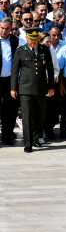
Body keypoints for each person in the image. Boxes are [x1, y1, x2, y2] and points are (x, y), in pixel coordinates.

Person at [11, 27, 54, 153]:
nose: (33, 41)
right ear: (26, 38)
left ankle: (35, 137)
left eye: (35, 39)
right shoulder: (20, 50)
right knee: (27, 117)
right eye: (31, 39)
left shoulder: (44, 49)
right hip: (25, 89)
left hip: (41, 88)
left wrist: (51, 86)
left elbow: (50, 70)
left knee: (42, 117)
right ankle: (28, 144)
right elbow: (15, 70)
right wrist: (13, 88)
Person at [0, 17, 25, 145]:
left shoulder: (18, 41)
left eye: (7, 29)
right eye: (2, 28)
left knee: (10, 110)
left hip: (11, 80)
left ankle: (7, 135)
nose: (4, 31)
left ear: (11, 29)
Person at [37, 31, 60, 142]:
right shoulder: (35, 51)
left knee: (50, 111)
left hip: (50, 85)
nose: (49, 44)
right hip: (39, 86)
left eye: (50, 42)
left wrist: (54, 77)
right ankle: (39, 133)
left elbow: (56, 68)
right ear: (40, 42)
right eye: (47, 42)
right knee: (39, 111)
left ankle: (49, 130)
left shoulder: (52, 51)